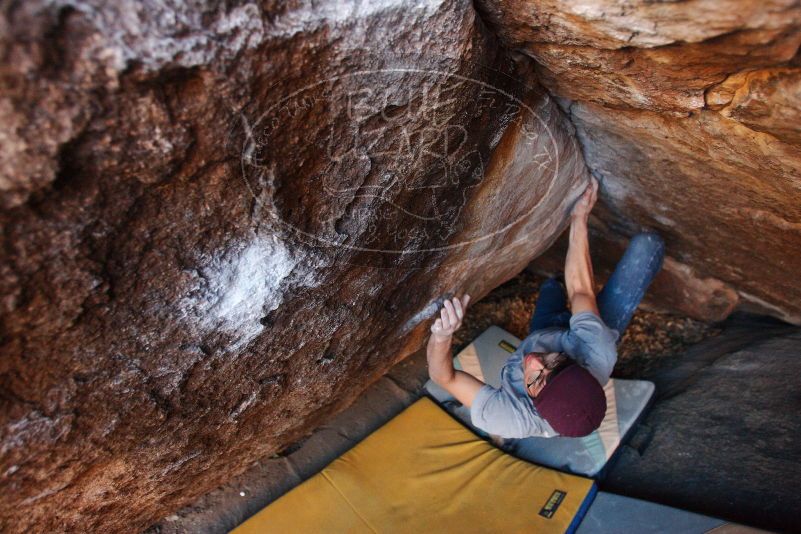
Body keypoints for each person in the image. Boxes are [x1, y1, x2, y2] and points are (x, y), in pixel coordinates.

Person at [426, 178, 665, 438]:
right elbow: (581, 291)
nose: (535, 361)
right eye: (554, 361)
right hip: (596, 328)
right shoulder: (597, 350)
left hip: (544, 329)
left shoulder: (510, 417)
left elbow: (444, 377)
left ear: (535, 405)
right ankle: (562, 286)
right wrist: (579, 217)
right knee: (648, 245)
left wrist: (441, 336)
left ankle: (552, 283)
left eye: (535, 380)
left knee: (549, 289)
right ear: (577, 365)